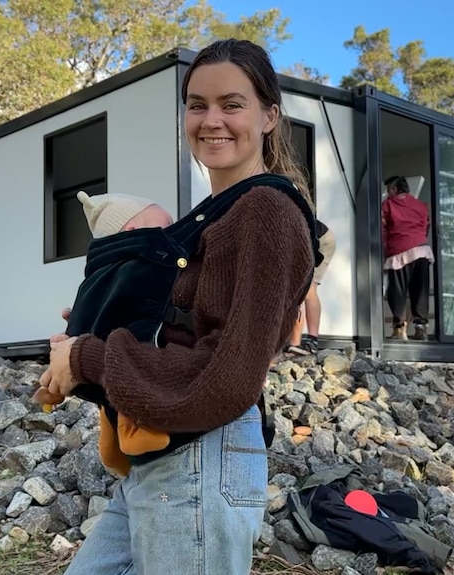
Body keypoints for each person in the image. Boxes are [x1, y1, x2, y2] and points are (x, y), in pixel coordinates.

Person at [36, 39, 317, 575]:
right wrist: (102, 324)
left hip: (200, 453)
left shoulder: (266, 212)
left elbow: (225, 377)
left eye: (232, 104)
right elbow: (186, 336)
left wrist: (90, 357)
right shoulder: (215, 213)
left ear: (269, 116)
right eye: (197, 104)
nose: (212, 120)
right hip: (163, 453)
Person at [34, 190, 175, 478]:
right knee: (130, 373)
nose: (172, 235)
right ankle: (138, 432)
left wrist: (76, 325)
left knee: (106, 397)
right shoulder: (143, 262)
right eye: (166, 227)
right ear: (134, 232)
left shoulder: (96, 270)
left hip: (88, 348)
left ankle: (109, 445)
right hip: (122, 351)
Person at [382, 176, 434, 341]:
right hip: (422, 250)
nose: (387, 193)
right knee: (420, 292)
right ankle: (421, 328)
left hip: (399, 251)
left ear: (395, 189)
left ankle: (399, 329)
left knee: (397, 291)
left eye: (389, 189)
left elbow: (382, 229)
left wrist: (385, 249)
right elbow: (426, 225)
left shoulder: (389, 204)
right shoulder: (421, 205)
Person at [287, 219, 336, 354]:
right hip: (306, 240)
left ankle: (311, 340)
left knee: (308, 289)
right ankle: (294, 343)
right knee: (297, 288)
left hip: (321, 241)